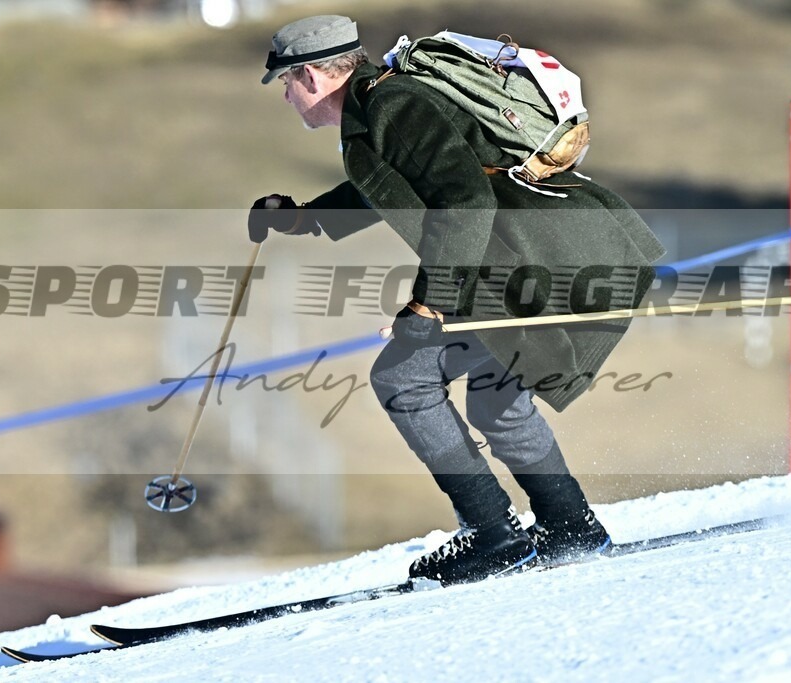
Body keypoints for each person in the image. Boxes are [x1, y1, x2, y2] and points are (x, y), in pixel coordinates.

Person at [249, 15, 665, 585]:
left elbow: (464, 201)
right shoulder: (378, 106)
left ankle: (492, 534)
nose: (286, 97)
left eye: (286, 83)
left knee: (402, 379)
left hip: (541, 261)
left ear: (313, 77)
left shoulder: (394, 104)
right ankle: (570, 526)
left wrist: (430, 305)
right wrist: (307, 218)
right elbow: (400, 183)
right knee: (497, 403)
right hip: (541, 256)